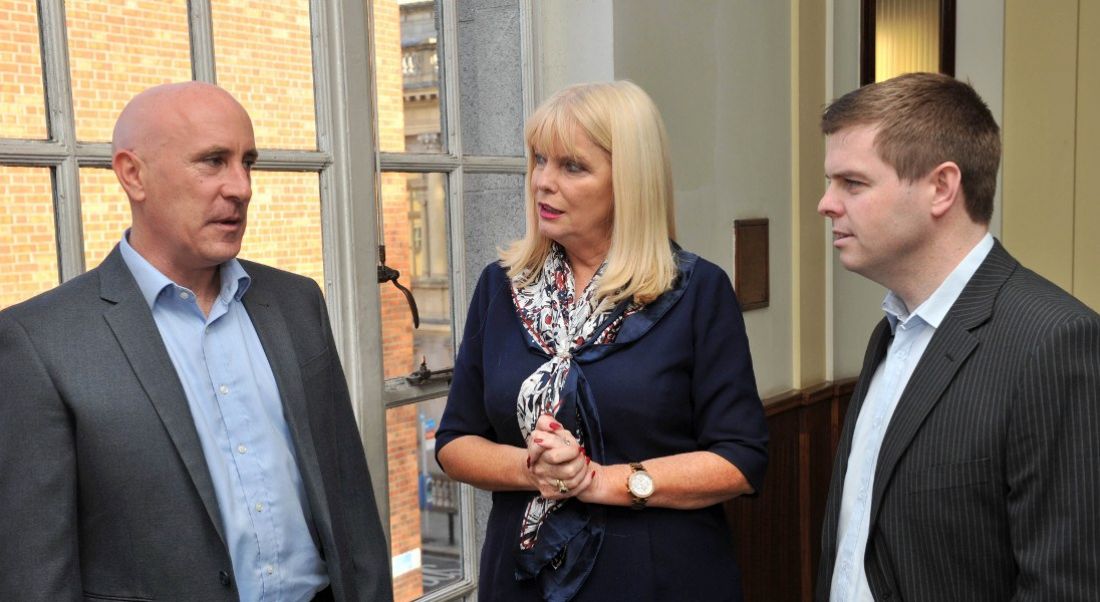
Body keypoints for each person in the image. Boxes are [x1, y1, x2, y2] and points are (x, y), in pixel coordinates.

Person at [0, 82, 392, 601]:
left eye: (246, 161)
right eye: (212, 161)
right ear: (132, 174)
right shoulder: (40, 342)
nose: (241, 187)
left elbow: (351, 505)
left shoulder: (296, 303)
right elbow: (36, 577)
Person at [434, 80, 769, 601]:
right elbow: (455, 443)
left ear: (630, 182)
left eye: (572, 167)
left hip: (659, 579)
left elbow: (740, 461)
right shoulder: (501, 287)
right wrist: (535, 469)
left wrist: (597, 481)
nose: (543, 182)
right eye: (539, 160)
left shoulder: (698, 292)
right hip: (524, 580)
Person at [816, 72, 1100, 601]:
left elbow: (1065, 584)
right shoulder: (892, 331)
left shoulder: (1054, 342)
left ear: (941, 187)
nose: (826, 204)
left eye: (852, 183)